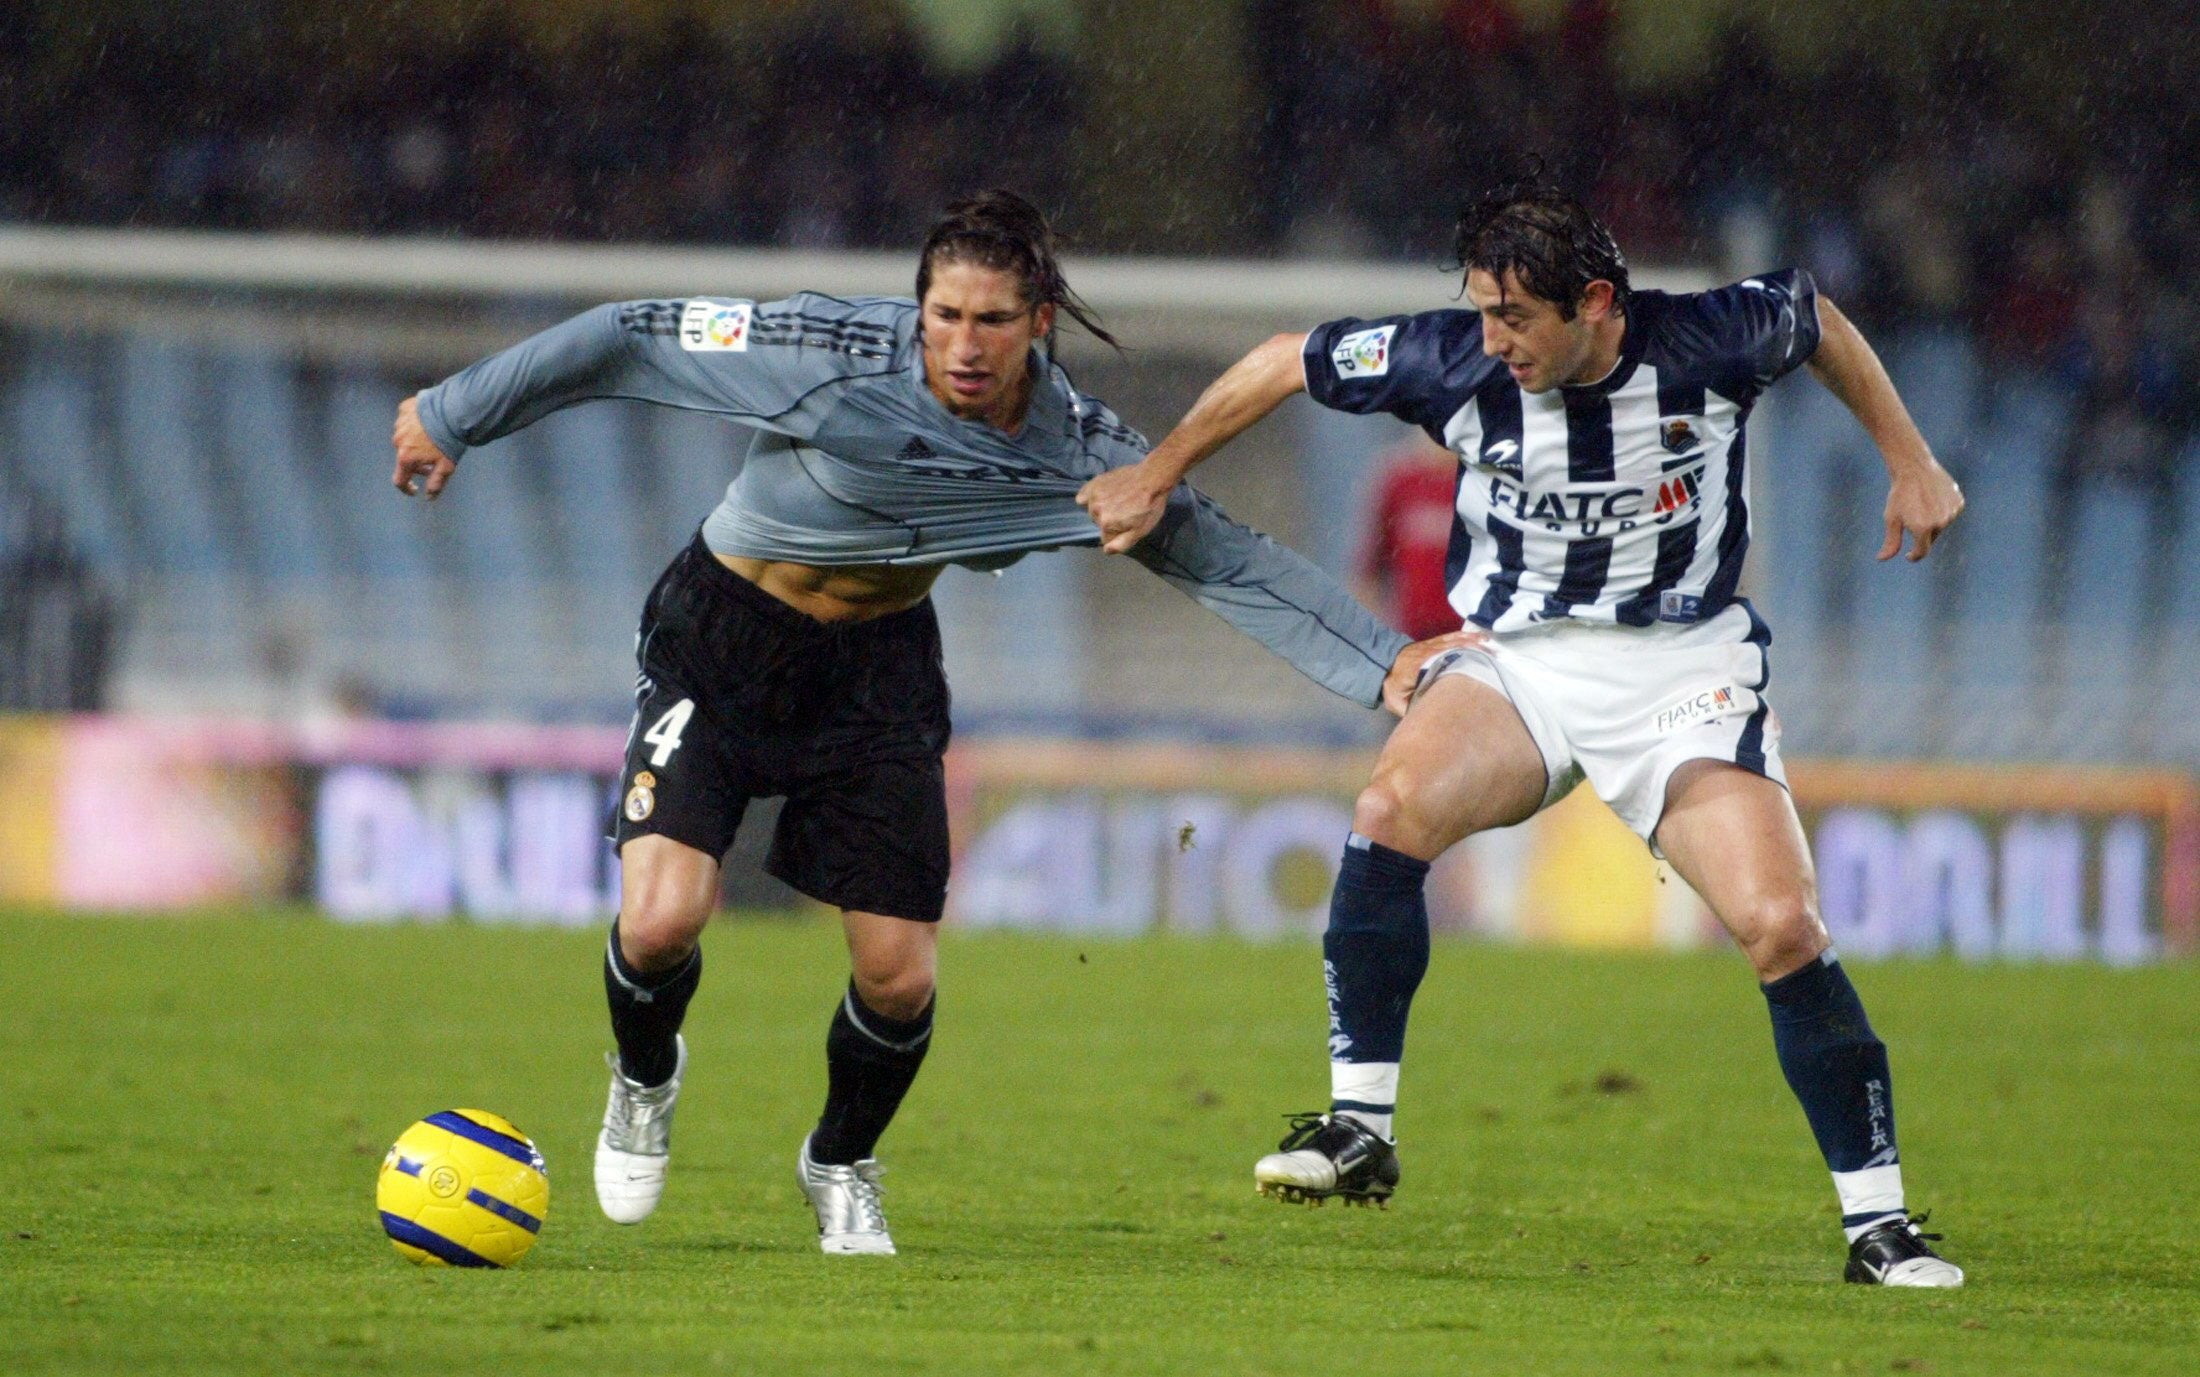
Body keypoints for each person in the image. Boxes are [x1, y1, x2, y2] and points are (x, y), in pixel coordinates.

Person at [390, 190, 1463, 1257]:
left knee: (898, 976)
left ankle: (840, 1162)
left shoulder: (1078, 451)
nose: (960, 343)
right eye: (941, 315)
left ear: (1038, 321)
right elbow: (625, 337)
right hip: (722, 641)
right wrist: (453, 412)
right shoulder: (822, 350)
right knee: (662, 920)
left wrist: (1384, 665)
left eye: (990, 320)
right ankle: (643, 1077)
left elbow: (1220, 555)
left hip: (875, 678)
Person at [1077, 175, 1968, 1287]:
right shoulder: (1447, 362)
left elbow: (1819, 319)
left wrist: (1909, 457)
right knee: (1386, 809)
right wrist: (1158, 474)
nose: (1492, 341)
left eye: (1514, 319)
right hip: (1521, 663)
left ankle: (1877, 1228)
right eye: (1483, 312)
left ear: (1595, 302)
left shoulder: (1710, 339)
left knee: (1782, 926)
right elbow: (1279, 359)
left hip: (1680, 674)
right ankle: (1361, 1128)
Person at [1353, 434, 1467, 640]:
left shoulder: (1485, 482)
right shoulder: (1400, 479)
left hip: (1474, 637)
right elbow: (1370, 571)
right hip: (1417, 637)